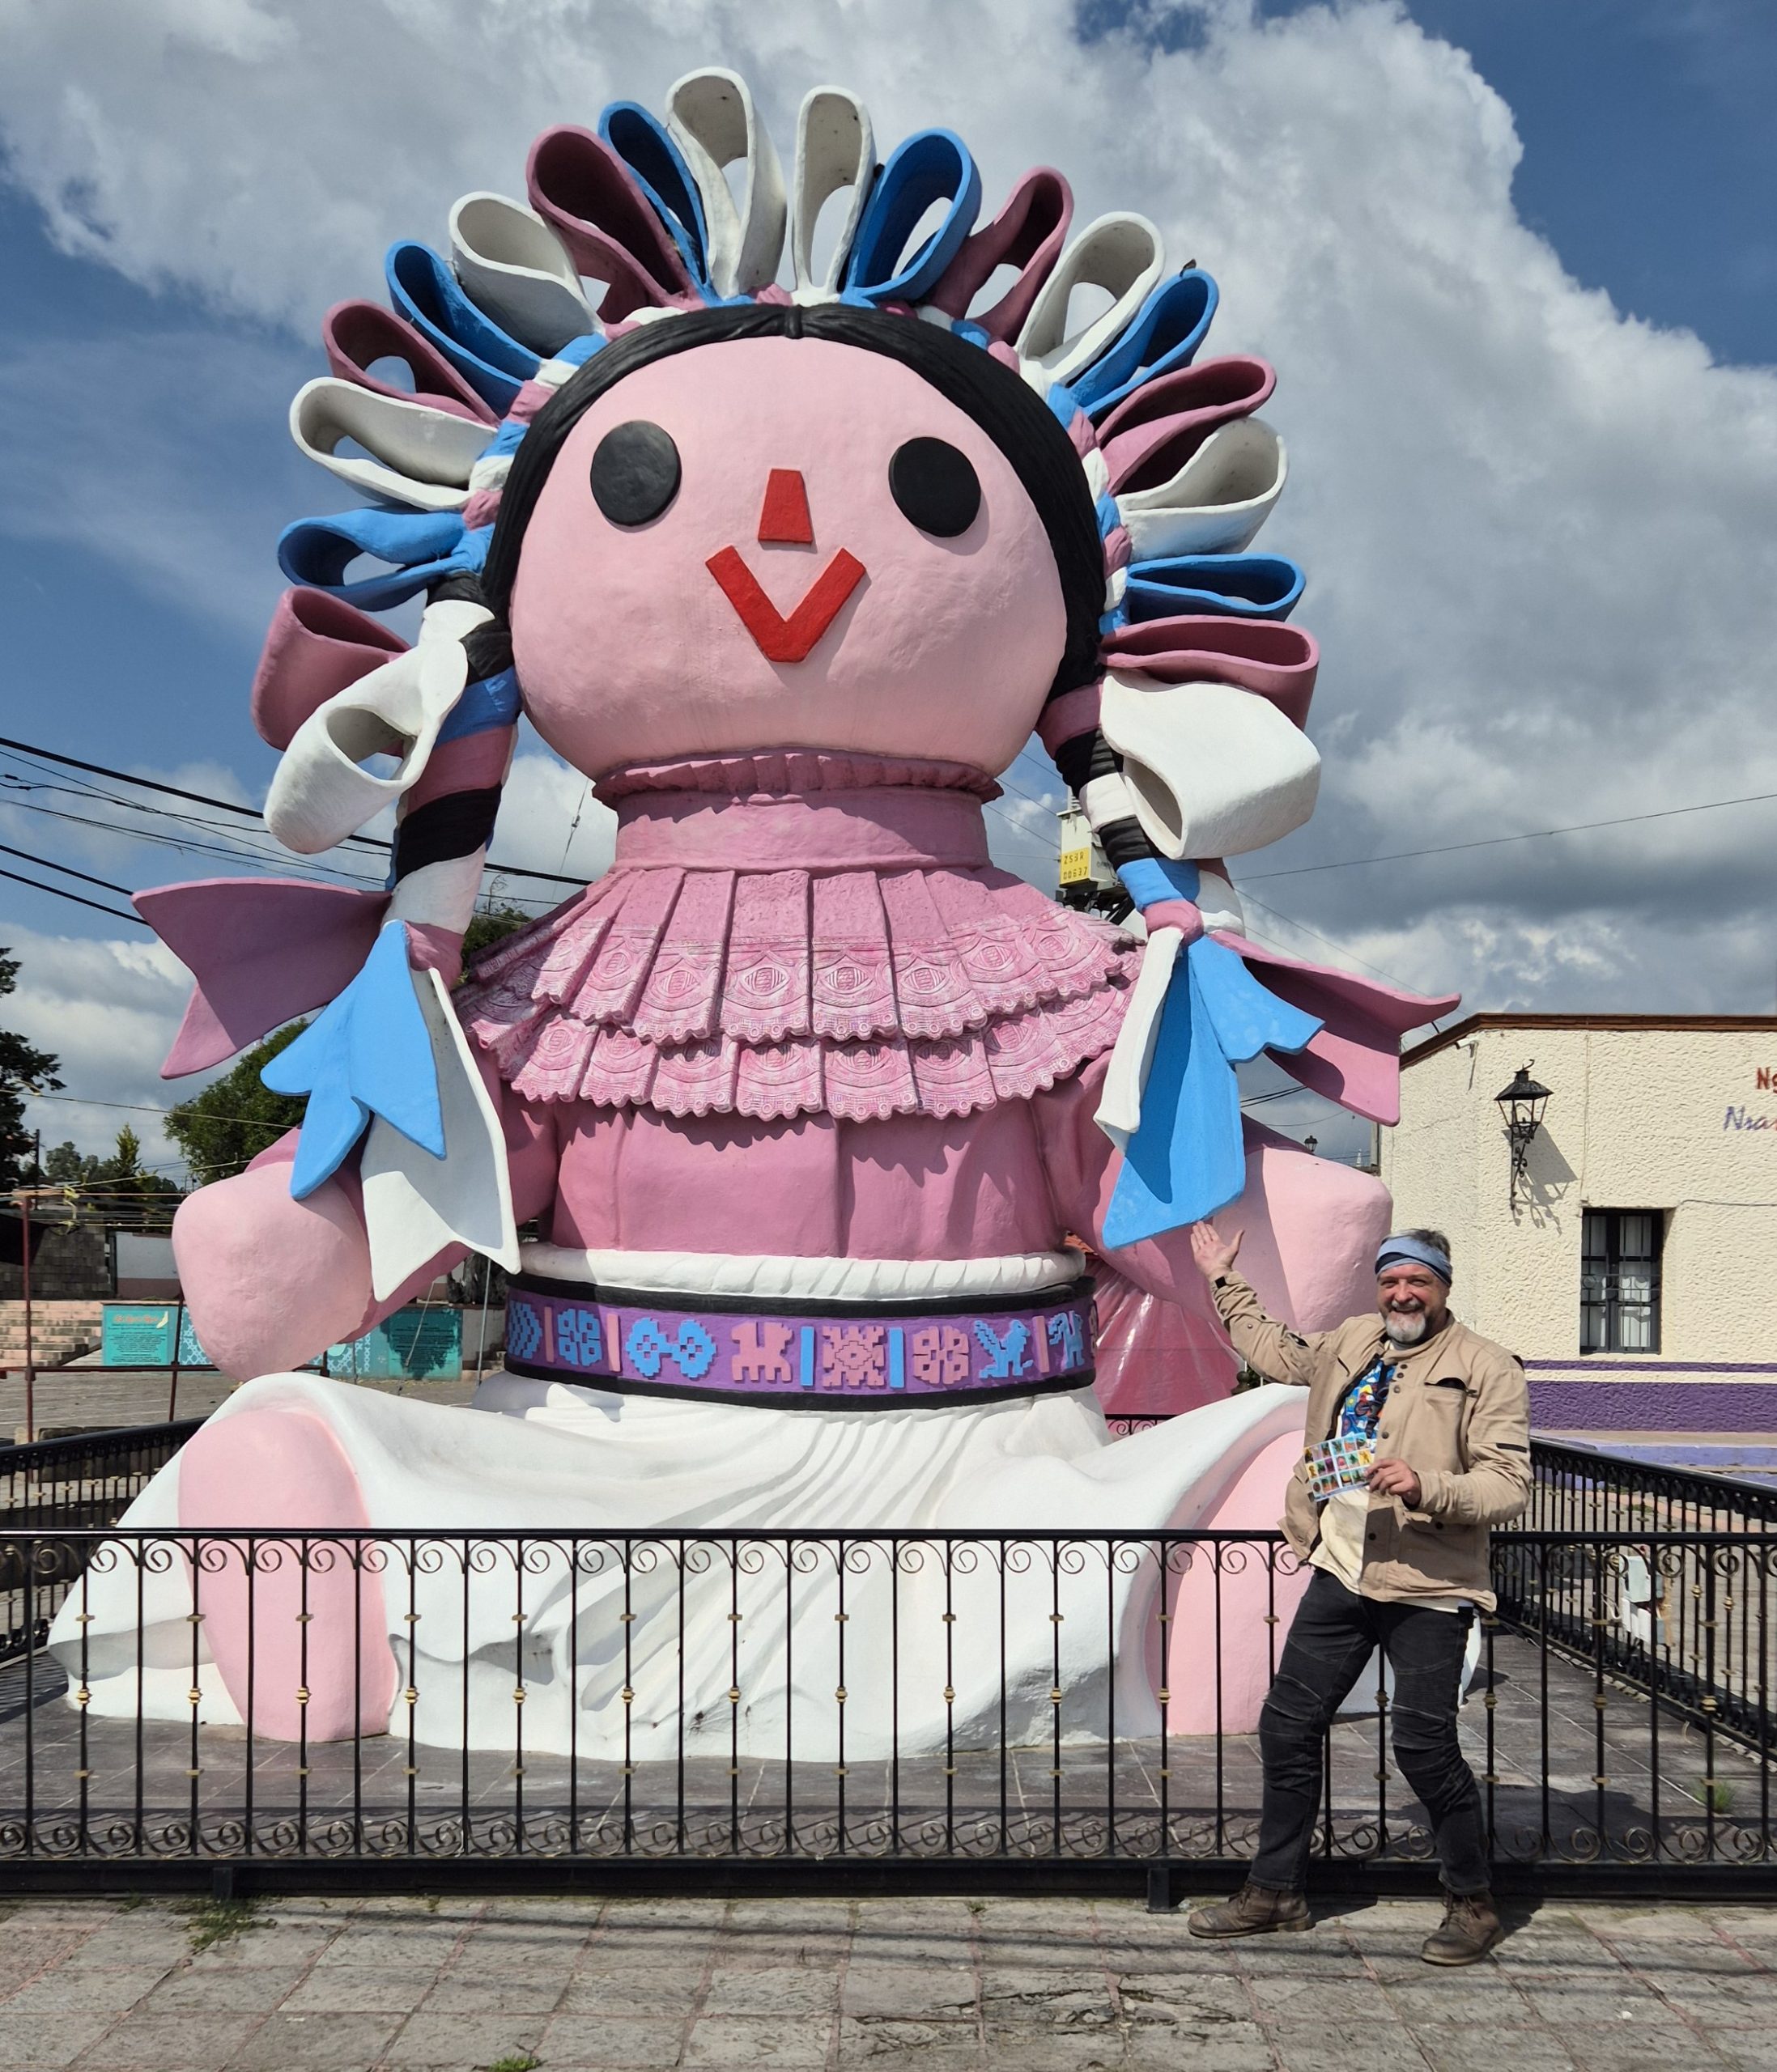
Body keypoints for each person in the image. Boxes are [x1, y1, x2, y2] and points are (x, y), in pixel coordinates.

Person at [1183, 1222, 1530, 1964]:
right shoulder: (1354, 1340)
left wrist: (1425, 1483)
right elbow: (1274, 1349)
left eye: (1419, 1282)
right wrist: (1221, 1276)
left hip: (1427, 1583)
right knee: (1286, 1726)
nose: (1403, 1293)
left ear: (1443, 1287)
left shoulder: (1485, 1366)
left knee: (1423, 1746)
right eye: (1391, 1280)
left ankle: (1472, 1903)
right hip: (1341, 1570)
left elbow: (1508, 1484)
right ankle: (1276, 1891)